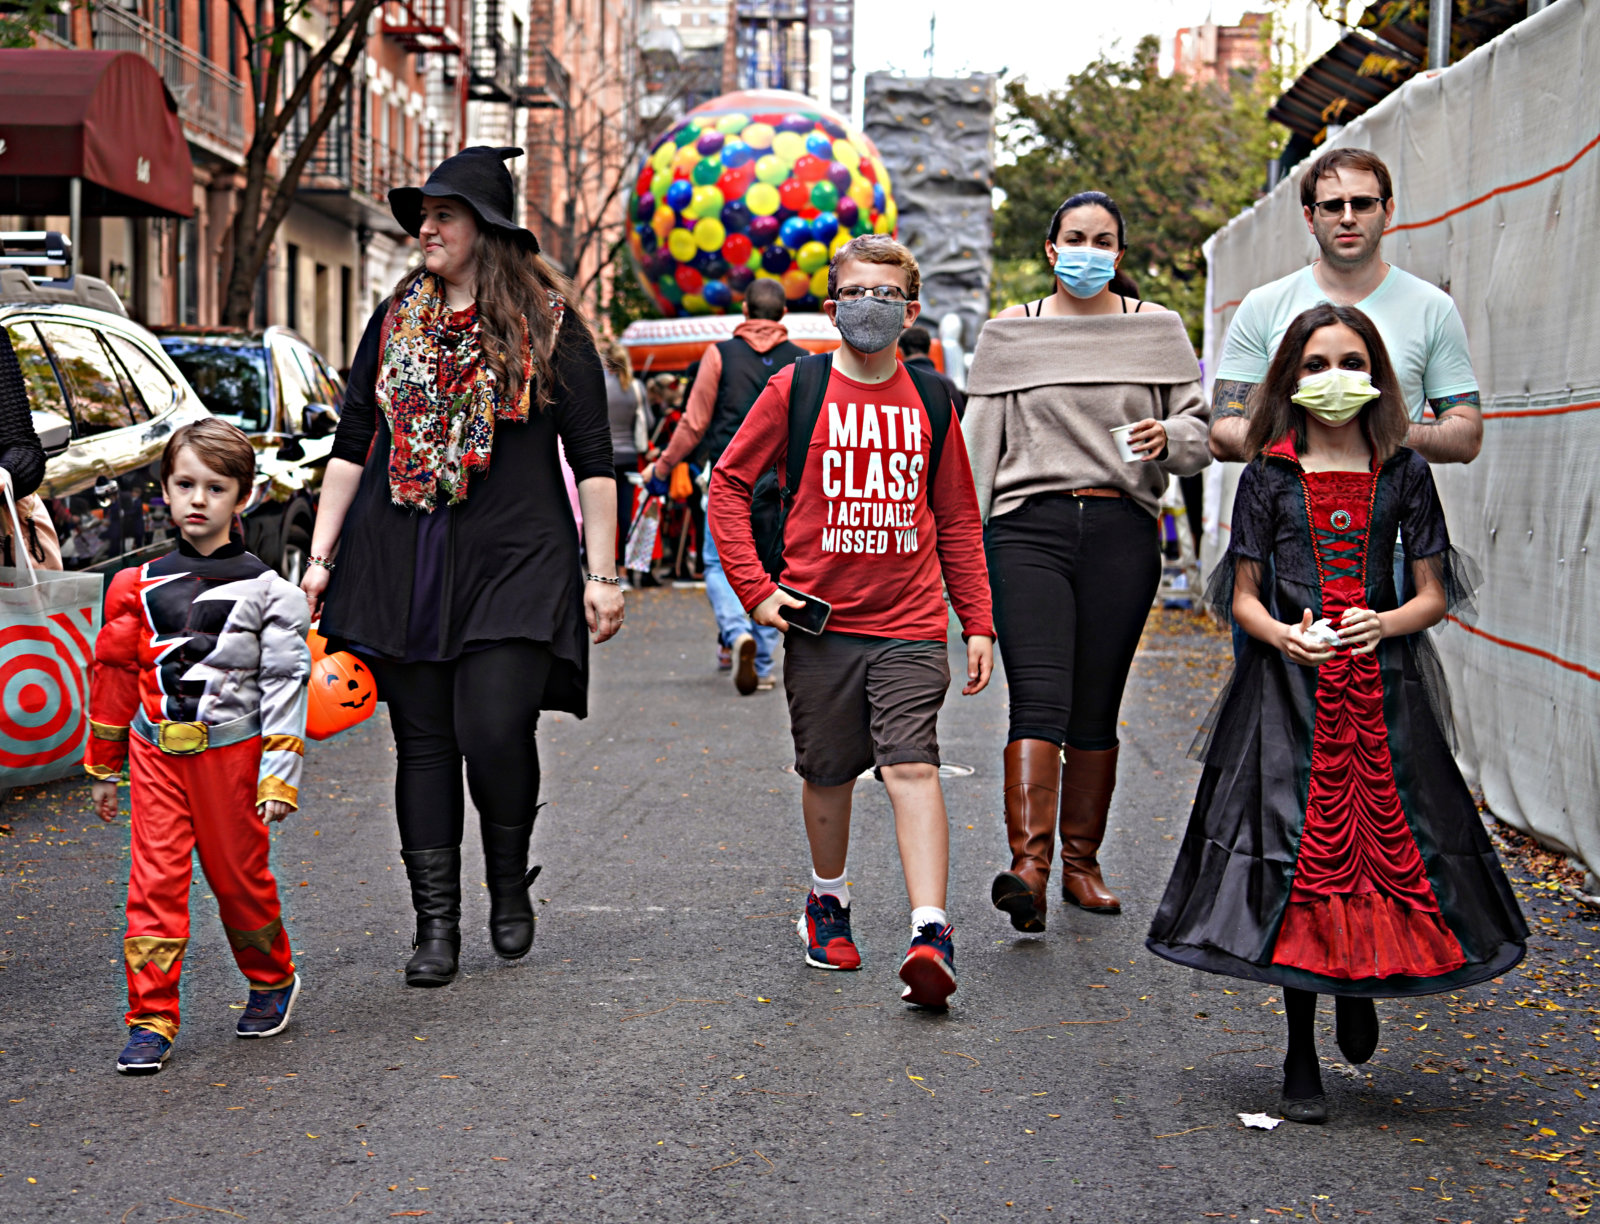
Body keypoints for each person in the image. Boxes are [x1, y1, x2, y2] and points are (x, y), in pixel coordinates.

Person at [1146, 304, 1527, 1123]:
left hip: (1385, 691)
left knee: (1391, 847)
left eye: (1350, 361)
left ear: (1379, 374)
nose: (1332, 379)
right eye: (1314, 364)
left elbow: (1432, 593)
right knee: (1295, 853)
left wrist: (1380, 623)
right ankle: (1299, 1052)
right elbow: (1241, 599)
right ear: (1290, 377)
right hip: (1287, 694)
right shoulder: (1267, 476)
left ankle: (1361, 981)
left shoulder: (1404, 473)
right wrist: (1286, 636)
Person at [301, 146, 622, 989]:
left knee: (493, 727)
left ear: (487, 227)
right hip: (405, 553)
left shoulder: (549, 325)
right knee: (425, 744)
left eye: (443, 214)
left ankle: (509, 882)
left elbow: (593, 458)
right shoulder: (395, 316)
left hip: (517, 558)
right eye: (422, 215)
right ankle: (435, 924)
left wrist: (603, 574)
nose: (425, 228)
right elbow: (353, 445)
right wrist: (321, 558)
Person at [708, 235, 994, 1010]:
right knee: (828, 772)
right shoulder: (795, 389)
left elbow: (959, 519)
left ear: (912, 306)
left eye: (886, 292)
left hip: (908, 622)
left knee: (911, 764)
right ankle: (825, 900)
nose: (870, 305)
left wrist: (977, 621)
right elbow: (729, 485)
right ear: (831, 306)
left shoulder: (935, 399)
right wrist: (757, 594)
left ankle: (931, 932)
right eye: (856, 291)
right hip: (819, 624)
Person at [963, 190, 1210, 932]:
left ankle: (1080, 863)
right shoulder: (1010, 334)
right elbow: (979, 448)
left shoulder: (1158, 331)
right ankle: (1029, 868)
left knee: (1098, 702)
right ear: (1050, 248)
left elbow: (1202, 436)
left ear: (1120, 255)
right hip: (1025, 526)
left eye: (1103, 241)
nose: (1088, 251)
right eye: (1075, 237)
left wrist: (1170, 435)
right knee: (1039, 694)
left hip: (1121, 527)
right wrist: (962, 566)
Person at [87, 419, 313, 1075]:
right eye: (185, 484)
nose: (198, 499)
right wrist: (104, 764)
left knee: (238, 881)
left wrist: (278, 776)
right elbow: (117, 672)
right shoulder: (135, 584)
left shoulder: (272, 593)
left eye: (215, 487)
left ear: (241, 497)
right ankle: (150, 1018)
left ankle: (271, 979)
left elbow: (284, 684)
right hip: (156, 755)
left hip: (233, 759)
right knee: (153, 883)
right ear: (165, 489)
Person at [1209, 148, 1481, 467]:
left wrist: (1385, 434)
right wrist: (1310, 446)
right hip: (1289, 509)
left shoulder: (1432, 307)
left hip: (1390, 507)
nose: (1348, 218)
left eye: (1363, 204)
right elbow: (1222, 430)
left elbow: (1467, 435)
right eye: (1333, 206)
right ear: (1310, 218)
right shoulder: (1264, 306)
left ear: (1388, 211)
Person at [647, 278, 807, 693]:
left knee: (718, 563)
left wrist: (663, 468)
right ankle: (767, 664)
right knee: (775, 567)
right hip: (782, 487)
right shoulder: (803, 361)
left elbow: (695, 423)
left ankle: (737, 633)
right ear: (784, 314)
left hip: (728, 480)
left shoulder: (719, 356)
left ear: (744, 311)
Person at [601, 337, 648, 573]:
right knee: (625, 514)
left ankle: (606, 566)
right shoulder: (636, 388)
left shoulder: (600, 384)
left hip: (605, 456)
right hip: (629, 456)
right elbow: (647, 421)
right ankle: (625, 568)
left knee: (604, 514)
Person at [896, 326, 966, 419]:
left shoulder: (895, 383)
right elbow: (959, 419)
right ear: (929, 349)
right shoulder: (947, 384)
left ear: (900, 350)